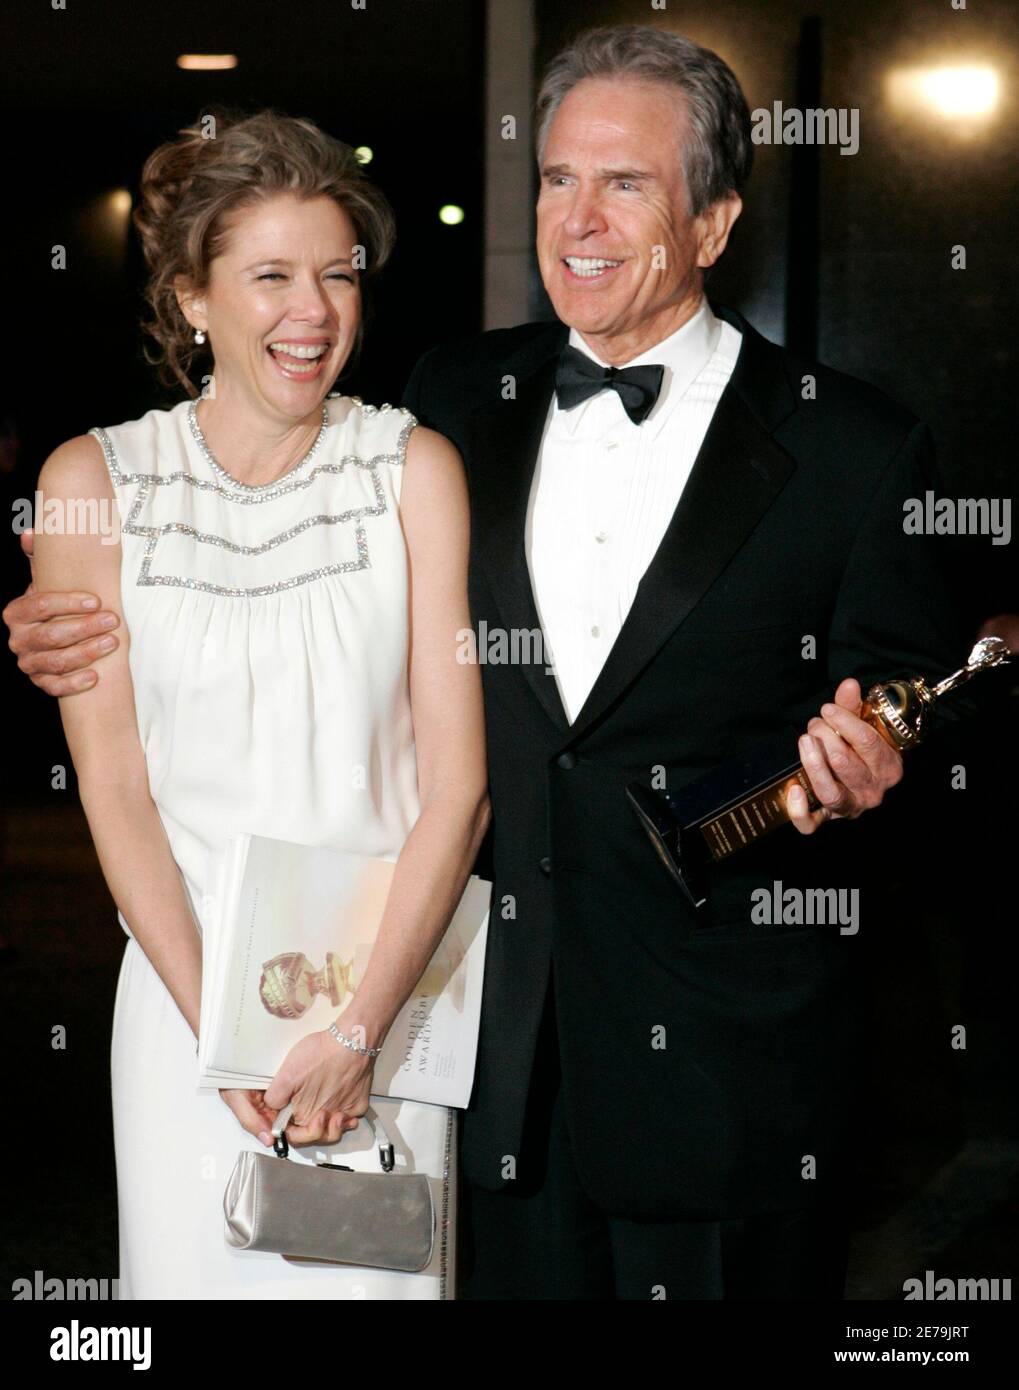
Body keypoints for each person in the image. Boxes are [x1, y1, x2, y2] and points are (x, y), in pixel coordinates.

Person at [6, 28, 968, 1299]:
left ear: (716, 220)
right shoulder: (458, 399)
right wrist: (56, 621)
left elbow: (914, 718)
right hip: (481, 1043)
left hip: (711, 1067)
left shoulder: (852, 447)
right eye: (557, 177)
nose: (576, 218)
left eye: (625, 185)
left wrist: (867, 771)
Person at [20, 111, 489, 1298]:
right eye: (271, 275)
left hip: (385, 1005)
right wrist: (220, 1032)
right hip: (183, 1011)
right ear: (191, 297)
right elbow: (116, 795)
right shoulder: (91, 483)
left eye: (337, 274)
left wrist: (353, 1036)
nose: (314, 311)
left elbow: (458, 789)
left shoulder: (412, 471)